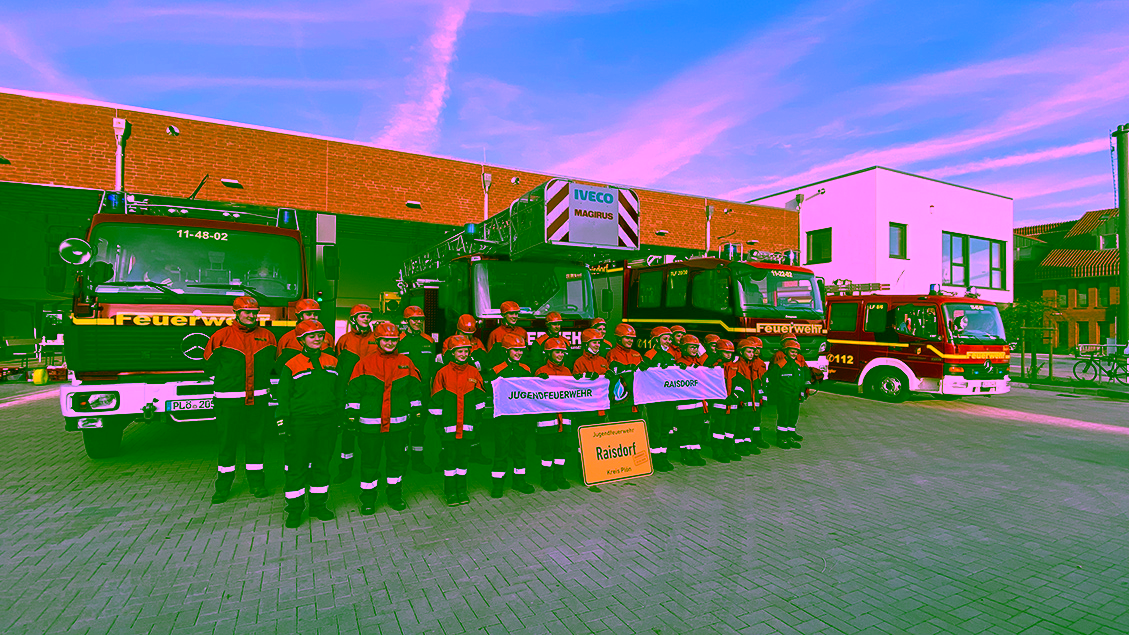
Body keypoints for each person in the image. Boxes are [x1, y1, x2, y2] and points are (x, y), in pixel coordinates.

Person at [203, 296, 277, 504]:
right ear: (236, 313)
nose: (251, 315)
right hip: (228, 401)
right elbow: (208, 365)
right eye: (247, 312)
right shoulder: (221, 336)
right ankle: (223, 487)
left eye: (254, 312)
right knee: (227, 443)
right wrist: (225, 385)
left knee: (256, 441)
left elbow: (273, 364)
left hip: (258, 400)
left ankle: (257, 483)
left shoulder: (268, 336)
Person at [346, 322, 422, 513]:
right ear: (377, 340)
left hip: (398, 424)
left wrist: (416, 413)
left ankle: (395, 496)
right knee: (369, 463)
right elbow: (354, 392)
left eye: (393, 340)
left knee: (396, 461)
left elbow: (414, 391)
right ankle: (368, 500)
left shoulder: (406, 362)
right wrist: (352, 417)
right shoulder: (364, 363)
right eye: (386, 340)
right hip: (370, 425)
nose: (390, 343)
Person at [275, 319, 341, 528]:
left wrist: (339, 417)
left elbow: (339, 392)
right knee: (297, 467)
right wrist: (282, 422)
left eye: (320, 335)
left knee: (322, 464)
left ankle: (318, 506)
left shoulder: (333, 361)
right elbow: (283, 396)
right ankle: (294, 510)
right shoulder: (291, 364)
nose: (317, 339)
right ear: (301, 340)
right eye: (312, 336)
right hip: (300, 421)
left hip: (326, 421)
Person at [430, 335, 487, 506]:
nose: (463, 354)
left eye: (466, 351)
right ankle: (450, 492)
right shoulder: (442, 373)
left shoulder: (474, 372)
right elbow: (436, 401)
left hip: (468, 425)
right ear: (452, 353)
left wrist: (477, 420)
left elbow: (480, 398)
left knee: (463, 458)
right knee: (449, 459)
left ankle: (462, 491)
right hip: (448, 426)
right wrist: (439, 424)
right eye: (459, 351)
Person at [607, 323, 669, 471]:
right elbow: (612, 373)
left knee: (634, 431)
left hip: (636, 400)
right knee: (619, 431)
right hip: (620, 402)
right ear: (618, 338)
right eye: (627, 338)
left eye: (632, 338)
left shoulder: (636, 354)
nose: (630, 341)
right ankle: (619, 463)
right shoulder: (612, 354)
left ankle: (633, 463)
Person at [484, 333, 535, 498]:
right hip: (503, 417)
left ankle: (519, 481)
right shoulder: (496, 371)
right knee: (502, 449)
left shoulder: (527, 370)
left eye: (521, 350)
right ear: (506, 351)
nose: (519, 353)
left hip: (520, 416)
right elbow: (491, 393)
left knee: (520, 448)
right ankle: (498, 485)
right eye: (515, 350)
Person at [333, 304, 376, 483]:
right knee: (348, 432)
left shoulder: (377, 339)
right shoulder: (344, 340)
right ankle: (345, 469)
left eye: (368, 316)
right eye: (362, 316)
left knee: (369, 434)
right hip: (349, 394)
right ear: (353, 319)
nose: (366, 319)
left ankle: (370, 469)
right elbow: (338, 369)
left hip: (371, 394)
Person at [533, 337, 575, 491]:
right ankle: (546, 478)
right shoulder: (541, 371)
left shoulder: (567, 371)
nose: (560, 355)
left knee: (560, 450)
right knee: (547, 451)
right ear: (549, 353)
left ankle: (559, 476)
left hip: (564, 418)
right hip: (547, 419)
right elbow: (534, 395)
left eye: (562, 352)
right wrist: (538, 381)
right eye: (557, 352)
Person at [398, 305, 437, 474]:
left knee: (419, 427)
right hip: (403, 391)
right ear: (406, 321)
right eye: (414, 319)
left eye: (420, 319)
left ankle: (418, 460)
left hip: (423, 391)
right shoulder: (398, 340)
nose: (418, 322)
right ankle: (401, 461)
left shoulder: (429, 341)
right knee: (402, 427)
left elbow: (432, 368)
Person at [765, 340, 821, 449]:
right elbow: (773, 379)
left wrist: (802, 391)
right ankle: (781, 438)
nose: (794, 353)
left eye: (796, 352)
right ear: (786, 351)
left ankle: (789, 436)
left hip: (795, 394)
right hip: (784, 395)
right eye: (792, 351)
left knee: (793, 415)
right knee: (784, 416)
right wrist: (779, 391)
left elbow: (802, 378)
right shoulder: (779, 364)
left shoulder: (798, 364)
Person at [641, 326, 679, 471]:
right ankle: (655, 458)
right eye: (665, 338)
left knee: (666, 427)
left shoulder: (671, 355)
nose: (669, 341)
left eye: (670, 339)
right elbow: (644, 374)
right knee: (656, 428)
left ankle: (664, 456)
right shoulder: (649, 355)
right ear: (656, 340)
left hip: (669, 398)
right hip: (655, 399)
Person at [673, 334, 707, 466]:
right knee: (685, 431)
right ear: (683, 348)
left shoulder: (698, 363)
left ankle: (695, 452)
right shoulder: (679, 364)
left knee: (696, 430)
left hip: (698, 403)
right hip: (685, 405)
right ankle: (685, 454)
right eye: (691, 347)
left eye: (696, 347)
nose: (694, 349)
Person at [276, 299, 335, 370]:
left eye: (315, 314)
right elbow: (279, 368)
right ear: (300, 316)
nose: (313, 317)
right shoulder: (287, 338)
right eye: (308, 314)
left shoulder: (328, 337)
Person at [733, 338, 768, 455]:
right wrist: (739, 399)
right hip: (743, 403)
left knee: (750, 424)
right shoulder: (736, 366)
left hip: (753, 402)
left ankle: (748, 442)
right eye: (749, 351)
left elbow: (758, 384)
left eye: (753, 352)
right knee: (741, 424)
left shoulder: (753, 366)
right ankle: (739, 445)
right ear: (741, 352)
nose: (752, 354)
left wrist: (760, 397)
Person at [708, 339, 741, 463]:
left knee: (730, 429)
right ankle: (717, 451)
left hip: (732, 404)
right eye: (726, 352)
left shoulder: (734, 366)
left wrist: (736, 396)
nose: (728, 355)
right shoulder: (713, 366)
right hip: (719, 404)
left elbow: (740, 383)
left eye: (730, 353)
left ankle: (729, 449)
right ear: (718, 352)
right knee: (718, 429)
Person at [486, 300, 528, 366]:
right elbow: (490, 358)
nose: (515, 316)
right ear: (503, 315)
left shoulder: (523, 332)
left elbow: (526, 356)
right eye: (511, 313)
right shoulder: (495, 334)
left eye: (516, 313)